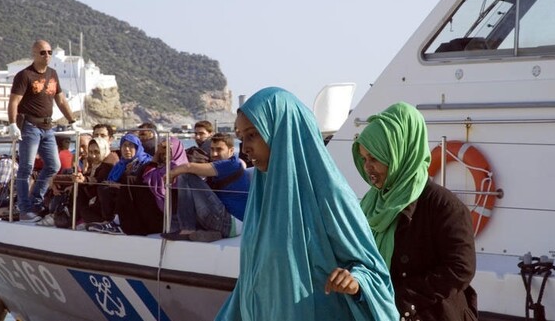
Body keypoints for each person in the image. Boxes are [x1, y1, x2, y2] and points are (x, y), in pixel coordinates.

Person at [216, 87, 398, 321]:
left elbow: (374, 273)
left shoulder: (330, 195)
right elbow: (250, 283)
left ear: (282, 131)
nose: (245, 148)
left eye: (253, 135)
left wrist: (355, 281)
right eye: (241, 138)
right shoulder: (261, 199)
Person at [352, 102, 478, 321]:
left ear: (398, 153)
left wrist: (404, 299)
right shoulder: (371, 205)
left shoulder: (443, 205)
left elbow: (460, 268)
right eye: (364, 159)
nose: (367, 167)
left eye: (374, 159)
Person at [8, 39, 80, 222]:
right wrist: (12, 124)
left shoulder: (53, 74)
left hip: (48, 127)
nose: (47, 55)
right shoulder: (24, 75)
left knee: (53, 165)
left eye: (49, 52)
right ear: (34, 54)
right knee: (26, 167)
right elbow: (14, 101)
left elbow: (61, 100)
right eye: (42, 52)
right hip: (30, 126)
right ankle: (24, 209)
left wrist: (72, 121)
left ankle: (35, 202)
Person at [162, 133, 249, 242]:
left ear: (231, 150)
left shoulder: (230, 164)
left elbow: (189, 167)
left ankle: (188, 229)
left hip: (228, 222)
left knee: (186, 176)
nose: (214, 153)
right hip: (232, 227)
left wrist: (172, 173)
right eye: (212, 149)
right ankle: (212, 233)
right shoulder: (225, 165)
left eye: (219, 149)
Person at [116, 136, 188, 235]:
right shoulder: (161, 168)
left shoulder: (179, 168)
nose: (164, 156)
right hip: (157, 212)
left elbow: (152, 180)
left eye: (167, 153)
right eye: (162, 154)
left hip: (168, 217)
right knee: (130, 180)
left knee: (131, 181)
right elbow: (147, 173)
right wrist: (157, 153)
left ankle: (129, 226)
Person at [88, 133, 152, 234]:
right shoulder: (120, 164)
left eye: (131, 146)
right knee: (104, 188)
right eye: (124, 146)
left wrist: (120, 186)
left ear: (137, 147)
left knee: (107, 189)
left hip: (137, 195)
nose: (127, 149)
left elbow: (142, 183)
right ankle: (107, 221)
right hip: (121, 192)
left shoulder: (144, 162)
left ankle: (114, 222)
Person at [74, 137, 116, 225]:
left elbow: (100, 179)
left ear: (104, 150)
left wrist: (85, 179)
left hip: (102, 205)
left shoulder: (108, 165)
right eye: (91, 152)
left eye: (97, 152)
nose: (93, 156)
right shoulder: (91, 163)